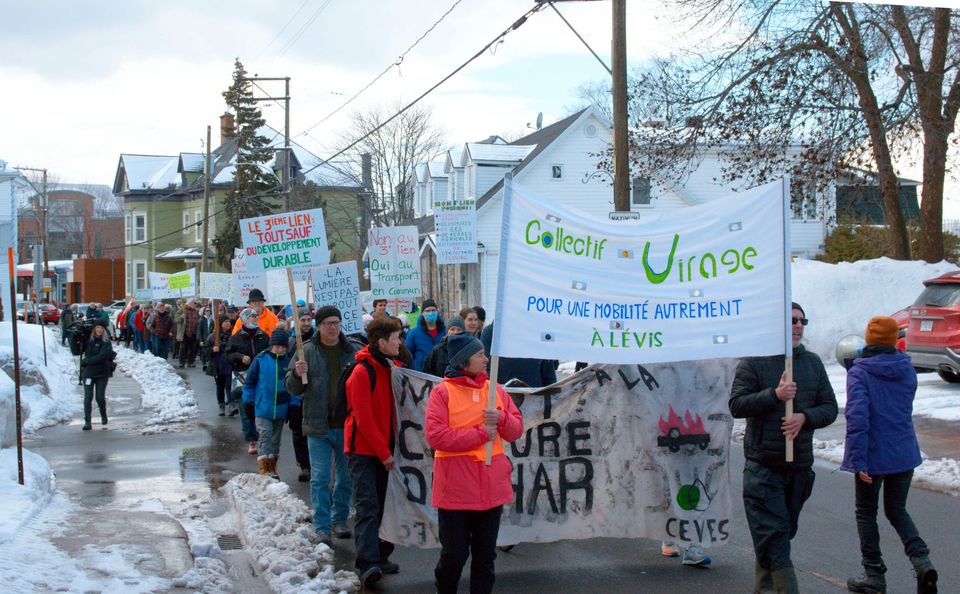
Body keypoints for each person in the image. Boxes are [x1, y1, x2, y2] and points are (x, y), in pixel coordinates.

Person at [729, 302, 838, 594]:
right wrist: (775, 395)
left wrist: (805, 417)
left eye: (803, 320)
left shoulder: (812, 363)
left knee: (778, 538)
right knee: (775, 539)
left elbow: (829, 407)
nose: (799, 326)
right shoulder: (754, 361)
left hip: (799, 468)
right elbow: (737, 405)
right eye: (792, 320)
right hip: (763, 469)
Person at [841, 316, 937, 594]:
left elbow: (858, 417)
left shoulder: (860, 372)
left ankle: (874, 574)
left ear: (869, 339)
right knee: (897, 509)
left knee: (866, 513)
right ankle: (922, 561)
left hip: (873, 455)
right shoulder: (907, 369)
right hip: (904, 451)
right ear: (895, 339)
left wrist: (858, 460)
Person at [426, 333, 524, 594]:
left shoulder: (496, 391)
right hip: (455, 489)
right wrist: (481, 434)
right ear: (463, 360)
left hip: (490, 489)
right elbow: (436, 436)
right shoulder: (442, 393)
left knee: (485, 557)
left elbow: (516, 431)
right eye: (480, 354)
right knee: (454, 555)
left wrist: (502, 417)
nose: (486, 359)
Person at [287, 305, 358, 545]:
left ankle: (339, 519)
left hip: (346, 424)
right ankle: (322, 525)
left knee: (345, 477)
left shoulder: (353, 352)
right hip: (318, 425)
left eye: (337, 322)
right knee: (319, 478)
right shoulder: (304, 351)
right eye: (328, 323)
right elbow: (292, 388)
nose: (333, 327)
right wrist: (297, 375)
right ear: (319, 326)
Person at [344, 316, 404, 587]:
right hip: (364, 451)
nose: (400, 342)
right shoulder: (361, 372)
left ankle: (381, 555)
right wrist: (384, 453)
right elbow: (363, 420)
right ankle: (367, 563)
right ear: (382, 342)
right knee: (367, 506)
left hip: (385, 450)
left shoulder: (392, 367)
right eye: (396, 338)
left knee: (384, 503)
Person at [242, 328, 292, 478]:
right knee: (265, 436)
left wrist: (294, 405)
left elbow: (294, 387)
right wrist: (248, 402)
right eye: (277, 346)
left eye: (283, 346)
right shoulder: (261, 359)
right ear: (271, 345)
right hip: (263, 406)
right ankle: (265, 471)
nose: (280, 349)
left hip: (281, 408)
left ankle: (272, 467)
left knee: (275, 441)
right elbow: (249, 382)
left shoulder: (289, 361)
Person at [225, 308, 270, 454]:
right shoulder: (236, 337)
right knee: (245, 410)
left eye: (256, 316)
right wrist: (239, 356)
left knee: (262, 408)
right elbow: (227, 355)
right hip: (243, 378)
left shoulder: (263, 336)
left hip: (261, 377)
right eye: (252, 317)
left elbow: (271, 352)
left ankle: (263, 437)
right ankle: (251, 440)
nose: (255, 319)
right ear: (244, 319)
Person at [479, 321, 558, 388]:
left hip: (534, 396)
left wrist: (553, 393)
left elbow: (548, 368)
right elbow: (485, 365)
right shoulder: (492, 331)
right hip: (502, 395)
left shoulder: (537, 330)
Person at [286, 308, 316, 482]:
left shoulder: (317, 340)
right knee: (298, 432)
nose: (305, 323)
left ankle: (315, 464)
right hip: (296, 397)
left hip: (313, 393)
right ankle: (304, 465)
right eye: (302, 320)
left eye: (307, 320)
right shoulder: (291, 342)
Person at [80, 319, 115, 431]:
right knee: (88, 397)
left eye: (101, 328)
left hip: (102, 373)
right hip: (88, 373)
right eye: (97, 328)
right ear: (94, 329)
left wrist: (87, 361)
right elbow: (77, 351)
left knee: (99, 397)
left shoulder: (106, 342)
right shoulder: (88, 340)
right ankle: (87, 421)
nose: (99, 330)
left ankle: (103, 414)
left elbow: (102, 356)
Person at [204, 317, 235, 416]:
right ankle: (221, 406)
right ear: (221, 323)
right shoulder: (213, 337)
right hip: (218, 365)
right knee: (220, 386)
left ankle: (231, 405)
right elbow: (205, 351)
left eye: (229, 321)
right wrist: (213, 349)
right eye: (225, 321)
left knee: (229, 385)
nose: (228, 323)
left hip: (230, 364)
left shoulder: (233, 335)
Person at [405, 298, 446, 372]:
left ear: (437, 312)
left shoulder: (445, 331)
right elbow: (408, 355)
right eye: (428, 311)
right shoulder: (414, 333)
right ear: (422, 314)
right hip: (422, 374)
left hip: (442, 373)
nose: (431, 313)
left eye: (433, 310)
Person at [179, 298, 199, 368]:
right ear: (190, 303)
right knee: (183, 348)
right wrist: (181, 317)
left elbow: (197, 321)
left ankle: (190, 362)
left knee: (193, 348)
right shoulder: (183, 310)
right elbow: (176, 319)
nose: (196, 304)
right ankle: (182, 362)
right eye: (194, 303)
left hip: (193, 332)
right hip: (185, 332)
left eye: (196, 303)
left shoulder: (196, 311)